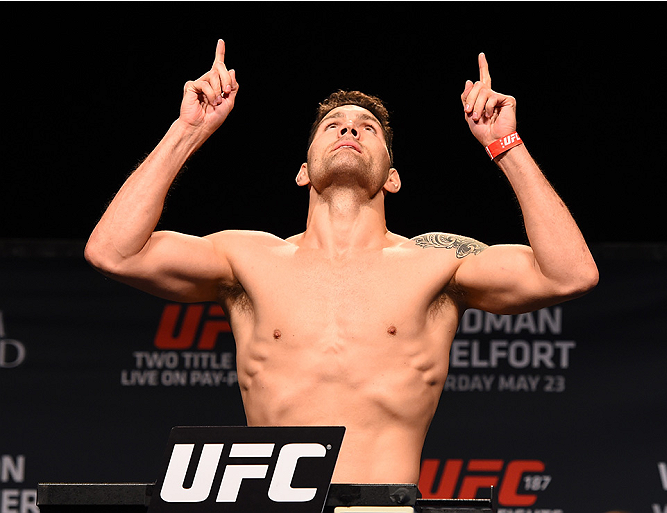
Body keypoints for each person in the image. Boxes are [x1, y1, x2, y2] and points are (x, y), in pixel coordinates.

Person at [84, 39, 598, 485]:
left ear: (392, 177)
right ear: (303, 171)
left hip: (383, 509)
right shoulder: (246, 258)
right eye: (333, 124)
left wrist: (505, 145)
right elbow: (114, 250)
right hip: (274, 509)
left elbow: (569, 273)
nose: (349, 131)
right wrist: (188, 131)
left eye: (367, 128)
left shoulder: (437, 263)